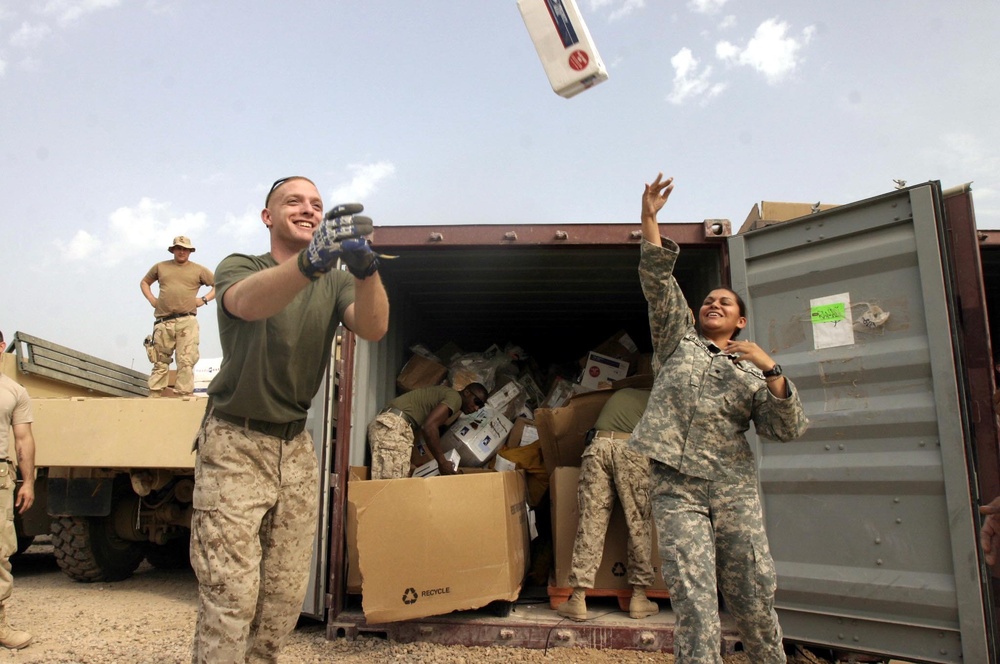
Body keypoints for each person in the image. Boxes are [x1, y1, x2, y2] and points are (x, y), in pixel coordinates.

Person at [190, 176, 388, 662]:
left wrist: (366, 272)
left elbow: (374, 326)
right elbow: (247, 303)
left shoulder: (337, 280)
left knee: (281, 601)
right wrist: (310, 261)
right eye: (293, 202)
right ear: (268, 217)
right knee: (230, 595)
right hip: (235, 441)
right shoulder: (239, 266)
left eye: (316, 205)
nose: (308, 209)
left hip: (295, 447)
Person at [629, 173, 809, 664]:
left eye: (725, 303)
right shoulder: (676, 340)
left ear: (741, 320)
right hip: (676, 487)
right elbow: (657, 282)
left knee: (752, 596)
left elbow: (785, 428)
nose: (713, 303)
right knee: (694, 601)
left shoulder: (752, 369)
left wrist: (772, 370)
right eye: (709, 300)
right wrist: (649, 217)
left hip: (732, 489)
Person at [556, 386, 660, 622]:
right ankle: (639, 597)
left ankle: (578, 599)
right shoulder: (661, 400)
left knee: (591, 523)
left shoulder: (625, 393)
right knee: (638, 523)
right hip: (630, 450)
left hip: (598, 447)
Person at [140, 236, 216, 396]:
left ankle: (184, 397)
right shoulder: (160, 267)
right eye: (179, 248)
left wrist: (204, 299)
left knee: (186, 361)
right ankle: (154, 396)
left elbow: (219, 284)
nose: (182, 251)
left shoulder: (199, 270)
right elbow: (145, 282)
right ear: (173, 249)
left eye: (185, 249)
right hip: (163, 320)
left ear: (190, 251)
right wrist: (152, 299)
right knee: (160, 361)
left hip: (187, 321)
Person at [368, 383, 488, 479]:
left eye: (480, 406)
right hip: (393, 426)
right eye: (476, 402)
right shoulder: (455, 398)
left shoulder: (447, 395)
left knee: (397, 483)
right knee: (389, 486)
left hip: (395, 427)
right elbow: (429, 427)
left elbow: (423, 427)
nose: (476, 408)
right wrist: (442, 462)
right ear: (467, 392)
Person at [0, 330, 36, 650]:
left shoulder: (14, 391)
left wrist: (28, 481)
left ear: (1, 347)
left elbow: (23, 439)